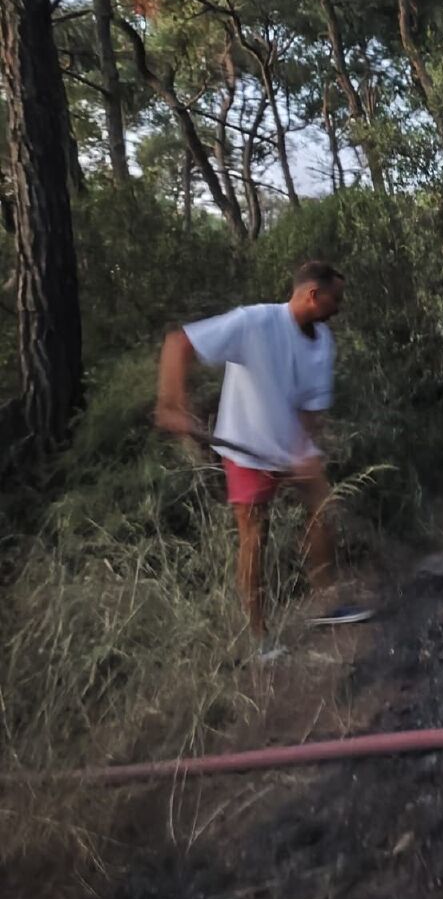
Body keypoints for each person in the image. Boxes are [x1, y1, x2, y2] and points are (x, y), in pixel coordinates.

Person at [154, 260, 371, 648]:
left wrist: (303, 447)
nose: (340, 307)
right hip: (246, 451)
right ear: (312, 295)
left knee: (322, 509)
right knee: (255, 538)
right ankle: (259, 637)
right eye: (335, 299)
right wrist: (172, 403)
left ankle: (326, 602)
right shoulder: (254, 323)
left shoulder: (323, 343)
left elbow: (312, 406)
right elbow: (179, 343)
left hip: (291, 449)